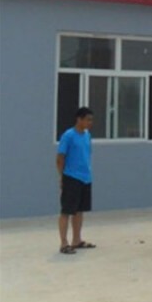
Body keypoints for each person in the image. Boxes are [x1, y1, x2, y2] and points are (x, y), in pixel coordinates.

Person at [56, 107, 96, 255]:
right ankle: (64, 243)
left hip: (85, 178)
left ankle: (76, 240)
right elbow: (60, 158)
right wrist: (62, 177)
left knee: (79, 211)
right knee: (66, 211)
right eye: (88, 119)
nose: (90, 123)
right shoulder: (68, 136)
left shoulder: (87, 135)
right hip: (71, 177)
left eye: (91, 120)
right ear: (79, 119)